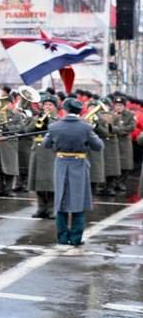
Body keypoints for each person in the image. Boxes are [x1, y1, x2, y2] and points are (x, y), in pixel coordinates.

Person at [44, 98, 103, 245]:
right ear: (79, 110)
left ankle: (63, 238)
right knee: (78, 201)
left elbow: (46, 144)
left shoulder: (54, 126)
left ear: (65, 109)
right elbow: (98, 146)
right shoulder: (86, 127)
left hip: (61, 164)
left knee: (61, 201)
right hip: (79, 164)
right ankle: (76, 238)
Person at [26, 94, 59, 219]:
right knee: (37, 181)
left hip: (50, 152)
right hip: (37, 150)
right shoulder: (37, 117)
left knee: (50, 182)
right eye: (45, 104)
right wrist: (37, 121)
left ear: (55, 107)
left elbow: (56, 132)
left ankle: (51, 208)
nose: (47, 107)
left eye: (50, 105)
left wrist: (48, 121)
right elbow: (27, 131)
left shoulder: (58, 120)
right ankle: (41, 207)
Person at [112, 96, 135, 193]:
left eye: (120, 105)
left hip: (125, 142)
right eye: (116, 105)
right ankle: (113, 183)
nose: (118, 107)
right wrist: (118, 129)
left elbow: (131, 127)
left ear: (124, 106)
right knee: (114, 164)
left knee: (126, 164)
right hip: (114, 142)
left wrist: (118, 130)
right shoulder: (111, 114)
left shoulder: (129, 114)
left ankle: (121, 183)